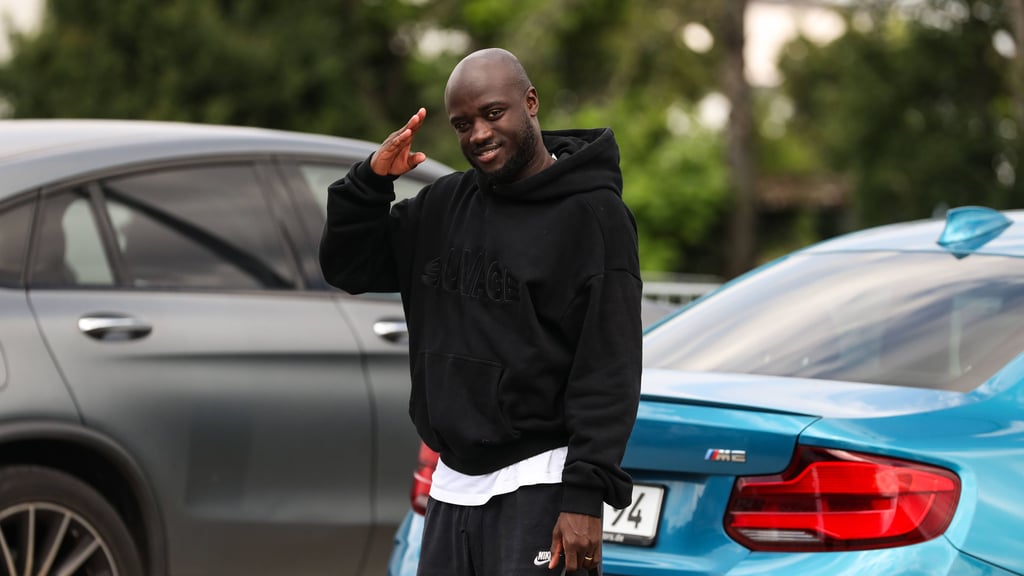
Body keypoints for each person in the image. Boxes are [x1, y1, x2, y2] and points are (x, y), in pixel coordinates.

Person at [320, 48, 642, 575]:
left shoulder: (593, 216)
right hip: (453, 484)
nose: (479, 134)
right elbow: (349, 268)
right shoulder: (444, 205)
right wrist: (370, 184)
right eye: (463, 124)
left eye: (494, 113)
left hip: (540, 482)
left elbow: (609, 365)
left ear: (530, 102)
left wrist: (585, 494)